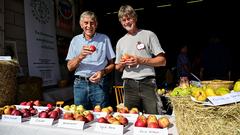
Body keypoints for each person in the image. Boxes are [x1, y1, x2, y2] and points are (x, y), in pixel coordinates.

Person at [115, 5, 166, 114]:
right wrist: (122, 64)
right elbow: (118, 68)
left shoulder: (148, 35)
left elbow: (162, 61)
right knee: (131, 119)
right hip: (129, 84)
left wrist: (140, 60)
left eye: (129, 18)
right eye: (123, 20)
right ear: (121, 22)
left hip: (147, 82)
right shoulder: (120, 42)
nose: (127, 22)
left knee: (154, 116)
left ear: (135, 18)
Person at [66, 11, 115, 110]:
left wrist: (103, 72)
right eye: (86, 23)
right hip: (80, 84)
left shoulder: (104, 39)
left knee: (102, 116)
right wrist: (80, 56)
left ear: (96, 24)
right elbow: (69, 67)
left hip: (99, 84)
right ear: (81, 24)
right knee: (80, 117)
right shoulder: (75, 41)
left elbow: (113, 65)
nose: (89, 26)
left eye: (92, 23)